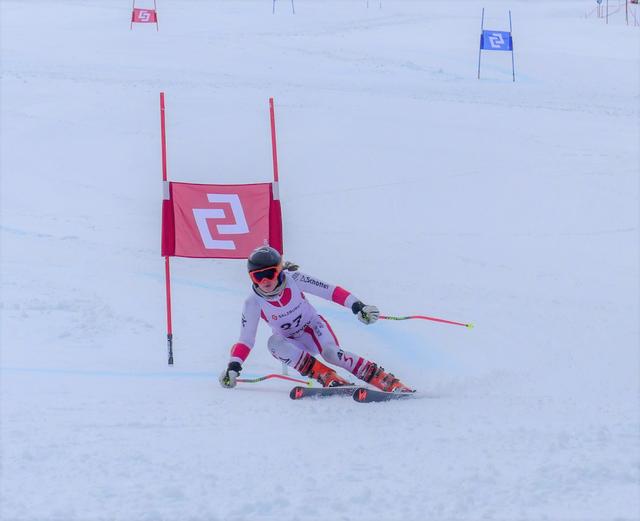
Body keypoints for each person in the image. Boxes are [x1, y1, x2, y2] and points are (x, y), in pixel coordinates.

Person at [219, 245, 412, 392]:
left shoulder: (294, 279)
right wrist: (233, 366)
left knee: (331, 354)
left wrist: (358, 306)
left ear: (280, 271)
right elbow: (246, 340)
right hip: (291, 343)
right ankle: (325, 375)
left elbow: (330, 291)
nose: (265, 282)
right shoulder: (253, 303)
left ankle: (384, 379)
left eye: (270, 274)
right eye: (257, 277)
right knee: (273, 343)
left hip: (313, 328)